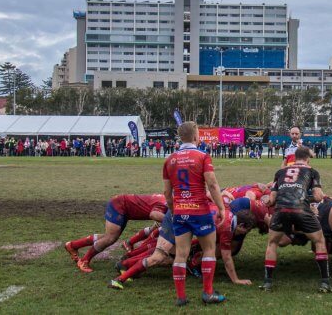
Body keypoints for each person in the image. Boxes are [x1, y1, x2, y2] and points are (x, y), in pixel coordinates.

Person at [163, 121, 227, 306]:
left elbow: (167, 194)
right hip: (200, 211)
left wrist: (175, 211)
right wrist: (221, 208)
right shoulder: (203, 156)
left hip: (180, 212)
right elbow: (213, 185)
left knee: (181, 254)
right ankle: (208, 292)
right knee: (209, 250)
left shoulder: (169, 159)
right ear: (195, 136)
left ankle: (181, 297)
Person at [260, 147, 332, 293]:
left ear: (294, 158)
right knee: (319, 241)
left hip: (281, 210)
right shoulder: (312, 171)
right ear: (308, 159)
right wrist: (305, 198)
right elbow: (318, 197)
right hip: (301, 210)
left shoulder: (280, 172)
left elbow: (271, 200)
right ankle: (325, 282)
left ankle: (267, 282)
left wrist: (267, 199)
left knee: (272, 243)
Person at [65, 194, 166, 272]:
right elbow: (154, 214)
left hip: (123, 206)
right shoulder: (166, 203)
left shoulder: (169, 200)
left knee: (108, 236)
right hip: (119, 205)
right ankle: (84, 260)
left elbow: (154, 227)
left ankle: (73, 245)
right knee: (110, 238)